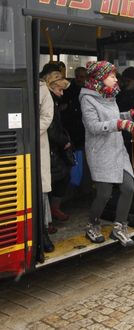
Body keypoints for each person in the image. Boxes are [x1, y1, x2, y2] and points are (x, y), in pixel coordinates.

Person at [79, 61, 134, 247]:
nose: (116, 79)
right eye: (112, 76)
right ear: (100, 78)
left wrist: (128, 115)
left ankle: (119, 228)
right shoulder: (87, 99)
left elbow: (113, 118)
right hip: (100, 152)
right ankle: (92, 224)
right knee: (104, 194)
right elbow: (93, 126)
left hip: (117, 150)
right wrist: (119, 125)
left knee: (128, 187)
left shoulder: (109, 95)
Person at [45, 71, 72, 222]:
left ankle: (52, 211)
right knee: (59, 178)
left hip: (52, 148)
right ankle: (51, 212)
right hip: (51, 149)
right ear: (52, 86)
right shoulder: (49, 101)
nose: (61, 94)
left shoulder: (52, 99)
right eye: (60, 90)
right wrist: (64, 142)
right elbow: (52, 128)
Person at [39, 73, 55, 252]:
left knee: (41, 192)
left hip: (38, 145)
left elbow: (46, 117)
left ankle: (43, 232)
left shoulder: (43, 89)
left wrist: (27, 130)